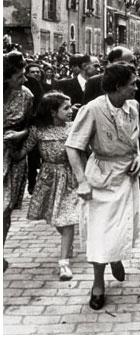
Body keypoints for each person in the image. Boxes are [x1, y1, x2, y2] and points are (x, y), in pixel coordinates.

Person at [66, 62, 140, 310]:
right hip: (101, 177)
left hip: (127, 177)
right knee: (99, 233)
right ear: (118, 86)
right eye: (132, 83)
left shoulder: (133, 107)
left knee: (122, 226)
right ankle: (98, 284)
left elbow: (135, 139)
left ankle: (116, 257)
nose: (136, 87)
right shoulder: (92, 109)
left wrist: (138, 158)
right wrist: (81, 181)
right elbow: (73, 147)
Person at [21, 92, 78, 280]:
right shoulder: (39, 130)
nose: (71, 111)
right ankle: (68, 242)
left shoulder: (74, 127)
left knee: (67, 219)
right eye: (66, 108)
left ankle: (64, 264)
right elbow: (23, 150)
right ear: (53, 111)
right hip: (48, 178)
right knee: (55, 217)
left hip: (70, 177)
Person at [3, 51, 34, 272]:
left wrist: (20, 135)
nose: (24, 80)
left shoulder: (27, 96)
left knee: (5, 209)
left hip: (13, 157)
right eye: (19, 76)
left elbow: (32, 126)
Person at [53, 54, 95, 118]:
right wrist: (68, 109)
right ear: (84, 66)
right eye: (95, 66)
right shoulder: (63, 85)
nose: (99, 69)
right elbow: (54, 108)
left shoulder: (100, 86)